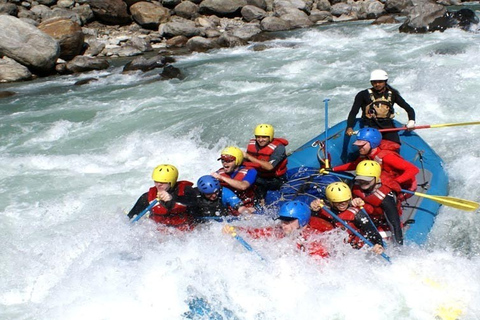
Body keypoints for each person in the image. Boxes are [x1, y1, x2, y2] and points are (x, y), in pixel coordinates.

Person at [223, 200, 334, 258]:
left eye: (289, 221)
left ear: (302, 221)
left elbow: (320, 267)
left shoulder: (313, 240)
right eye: (282, 219)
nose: (283, 224)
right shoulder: (281, 231)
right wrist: (236, 228)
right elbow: (257, 233)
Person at [329, 127, 419, 194]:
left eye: (362, 145)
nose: (359, 147)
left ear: (373, 143)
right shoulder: (366, 155)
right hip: (387, 181)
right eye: (358, 145)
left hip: (405, 186)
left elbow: (413, 169)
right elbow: (355, 165)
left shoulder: (387, 157)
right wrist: (333, 169)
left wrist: (396, 182)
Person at [310, 181, 385, 253]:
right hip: (337, 246)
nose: (342, 204)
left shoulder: (356, 213)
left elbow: (371, 230)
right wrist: (314, 210)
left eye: (345, 200)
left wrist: (379, 244)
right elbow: (315, 222)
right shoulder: (325, 209)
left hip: (356, 248)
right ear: (331, 201)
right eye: (338, 202)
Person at [345, 69, 416, 146]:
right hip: (370, 126)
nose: (377, 84)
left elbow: (409, 109)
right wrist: (349, 127)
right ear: (371, 82)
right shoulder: (362, 95)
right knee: (369, 148)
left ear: (385, 81)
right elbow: (353, 112)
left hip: (388, 127)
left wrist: (411, 121)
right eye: (374, 82)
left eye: (380, 82)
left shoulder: (393, 94)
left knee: (394, 146)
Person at [127, 164, 197, 230]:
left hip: (184, 233)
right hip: (159, 235)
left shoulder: (186, 191)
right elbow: (130, 217)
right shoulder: (147, 197)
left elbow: (193, 201)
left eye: (163, 182)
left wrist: (173, 198)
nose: (158, 185)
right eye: (156, 181)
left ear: (171, 182)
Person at [351, 160, 404, 245]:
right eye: (360, 179)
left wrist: (398, 247)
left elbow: (395, 225)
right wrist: (351, 202)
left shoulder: (385, 197)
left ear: (376, 178)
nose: (363, 182)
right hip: (365, 220)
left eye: (367, 180)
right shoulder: (355, 185)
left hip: (383, 224)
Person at [243, 124, 288, 201]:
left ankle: (261, 201)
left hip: (274, 179)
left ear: (270, 137)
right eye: (258, 136)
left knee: (258, 184)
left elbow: (269, 167)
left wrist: (248, 156)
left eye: (264, 137)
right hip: (259, 175)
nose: (260, 140)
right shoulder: (252, 144)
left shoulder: (279, 148)